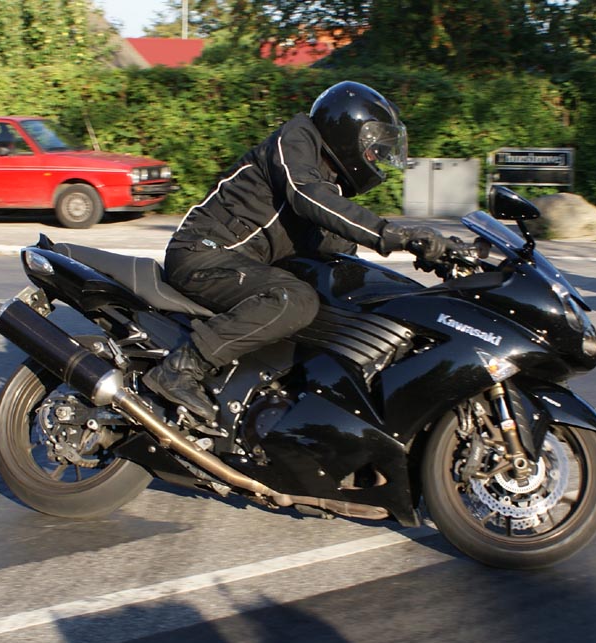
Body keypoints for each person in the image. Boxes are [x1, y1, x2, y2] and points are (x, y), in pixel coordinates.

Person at [144, 80, 454, 420]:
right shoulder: (295, 141)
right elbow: (307, 195)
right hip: (203, 253)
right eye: (372, 150)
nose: (374, 159)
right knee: (294, 299)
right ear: (347, 132)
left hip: (241, 265)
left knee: (341, 298)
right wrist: (396, 236)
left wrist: (431, 258)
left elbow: (340, 254)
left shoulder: (327, 184)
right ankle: (180, 368)